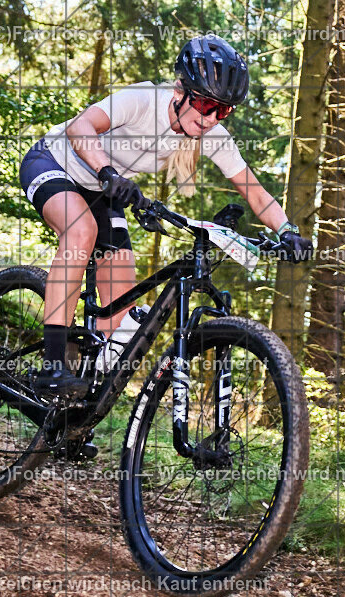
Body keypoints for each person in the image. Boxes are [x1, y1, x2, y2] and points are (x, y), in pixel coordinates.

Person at [19, 34, 312, 395]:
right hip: (54, 162)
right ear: (180, 91)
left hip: (103, 189)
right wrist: (108, 172)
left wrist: (286, 230)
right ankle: (52, 368)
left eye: (223, 110)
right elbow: (80, 126)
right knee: (80, 232)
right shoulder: (145, 99)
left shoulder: (212, 135)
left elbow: (252, 188)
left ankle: (72, 415)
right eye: (206, 104)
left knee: (120, 317)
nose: (211, 118)